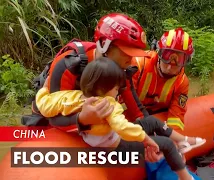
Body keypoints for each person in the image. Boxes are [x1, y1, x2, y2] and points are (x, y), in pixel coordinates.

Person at [21, 12, 162, 162]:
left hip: (85, 122)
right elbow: (53, 117)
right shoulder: (69, 65)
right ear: (104, 45)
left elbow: (137, 110)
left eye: (134, 53)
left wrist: (150, 137)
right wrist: (82, 119)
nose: (131, 59)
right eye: (127, 52)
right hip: (49, 118)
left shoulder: (121, 68)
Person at [35, 57, 204, 180]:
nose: (118, 93)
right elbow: (122, 127)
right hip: (116, 145)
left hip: (106, 137)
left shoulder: (74, 97)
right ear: (107, 88)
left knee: (151, 121)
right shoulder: (109, 105)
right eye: (117, 89)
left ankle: (183, 140)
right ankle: (184, 177)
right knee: (166, 144)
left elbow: (47, 104)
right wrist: (145, 139)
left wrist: (43, 89)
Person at [120, 27, 194, 131]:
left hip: (156, 118)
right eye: (167, 56)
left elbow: (176, 115)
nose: (170, 65)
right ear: (159, 52)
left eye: (179, 59)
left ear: (186, 61)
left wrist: (171, 137)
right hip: (129, 121)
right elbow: (124, 102)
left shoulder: (182, 82)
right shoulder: (138, 66)